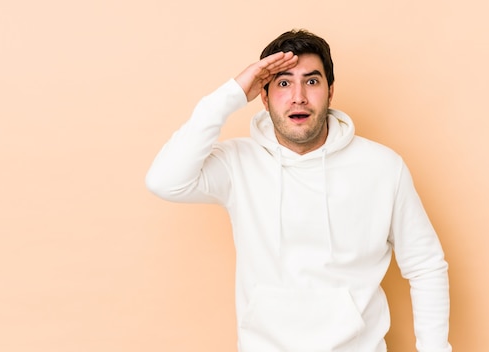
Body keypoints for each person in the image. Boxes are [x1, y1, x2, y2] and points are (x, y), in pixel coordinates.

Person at [145, 29, 451, 352]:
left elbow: (426, 264)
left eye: (312, 81)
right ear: (263, 96)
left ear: (330, 92)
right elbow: (164, 180)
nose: (299, 97)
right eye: (284, 82)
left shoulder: (383, 167)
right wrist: (233, 93)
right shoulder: (238, 164)